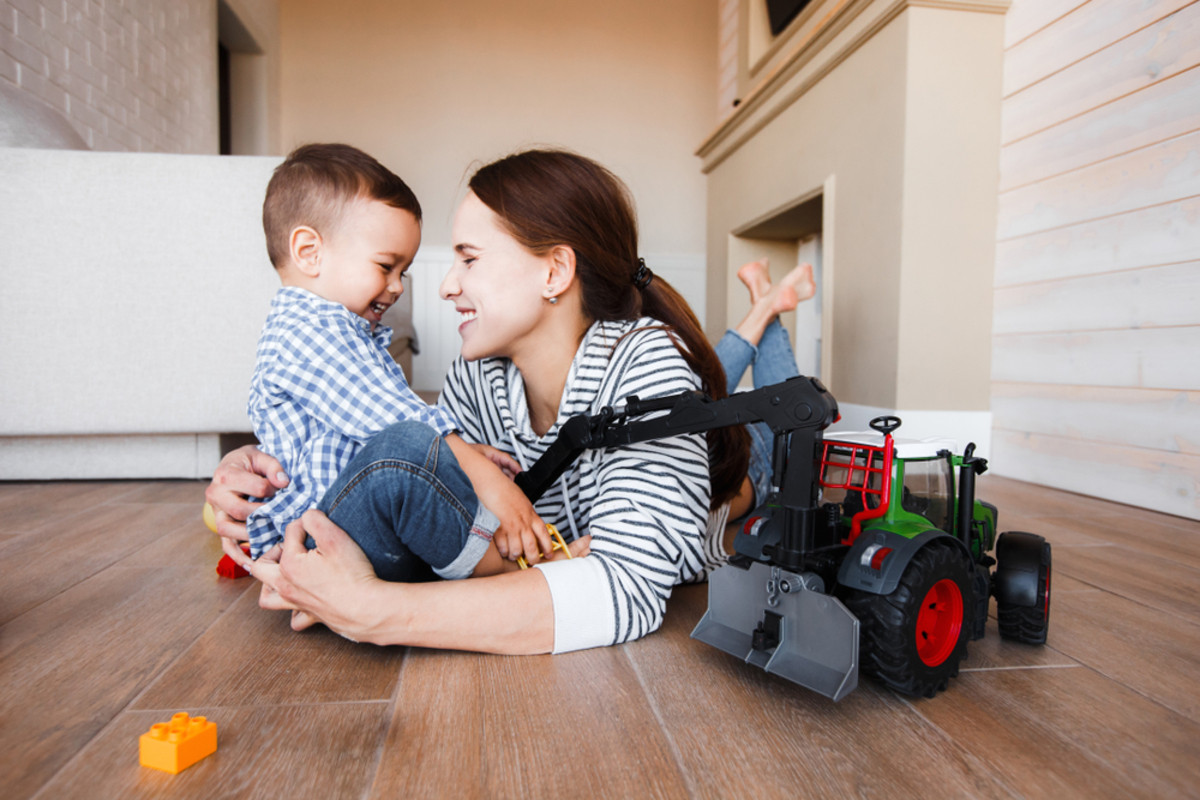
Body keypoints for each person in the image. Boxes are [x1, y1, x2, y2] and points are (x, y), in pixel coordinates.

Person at [206, 148, 748, 654]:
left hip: (741, 476)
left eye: (468, 258)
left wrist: (371, 609)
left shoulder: (645, 360)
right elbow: (423, 505)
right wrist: (250, 473)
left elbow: (625, 591)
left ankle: (764, 332)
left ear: (554, 271)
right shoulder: (477, 376)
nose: (445, 286)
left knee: (765, 462)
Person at [243, 142, 550, 576]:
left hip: (352, 522)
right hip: (318, 539)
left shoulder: (343, 330)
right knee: (403, 450)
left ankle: (490, 557)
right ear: (309, 252)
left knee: (418, 451)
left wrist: (460, 456)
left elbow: (368, 431)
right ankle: (512, 569)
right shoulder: (308, 331)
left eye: (402, 271)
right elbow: (393, 423)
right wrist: (488, 480)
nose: (397, 286)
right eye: (386, 266)